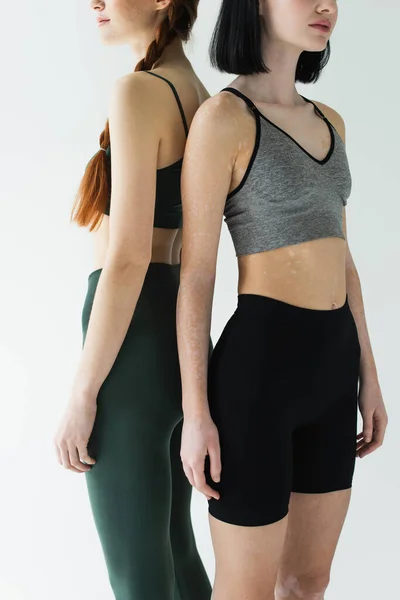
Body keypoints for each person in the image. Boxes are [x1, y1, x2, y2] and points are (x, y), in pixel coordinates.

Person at [177, 1, 388, 599]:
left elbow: (342, 255)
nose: (327, 6)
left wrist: (368, 372)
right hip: (259, 373)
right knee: (246, 589)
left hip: (333, 363)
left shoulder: (331, 122)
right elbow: (197, 277)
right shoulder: (224, 118)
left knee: (308, 582)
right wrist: (197, 414)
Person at [54, 1, 211, 599]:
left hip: (132, 347)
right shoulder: (196, 93)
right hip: (176, 338)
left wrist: (84, 392)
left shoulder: (139, 91)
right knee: (176, 553)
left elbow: (126, 259)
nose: (94, 1)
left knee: (136, 577)